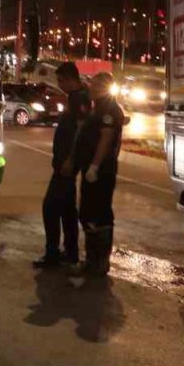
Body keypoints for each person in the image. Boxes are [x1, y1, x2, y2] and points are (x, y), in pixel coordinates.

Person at [33, 62, 92, 268]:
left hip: (66, 164)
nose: (59, 84)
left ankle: (52, 254)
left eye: (60, 80)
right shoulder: (78, 96)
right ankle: (71, 252)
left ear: (69, 79)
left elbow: (80, 130)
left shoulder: (79, 99)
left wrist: (71, 159)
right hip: (65, 162)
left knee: (50, 207)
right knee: (67, 210)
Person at [72, 71, 125, 277]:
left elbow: (106, 138)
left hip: (101, 170)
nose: (90, 89)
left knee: (99, 212)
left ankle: (99, 262)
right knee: (88, 211)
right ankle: (93, 260)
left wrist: (94, 166)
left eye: (94, 85)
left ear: (102, 87)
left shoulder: (109, 109)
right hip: (93, 169)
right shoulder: (99, 107)